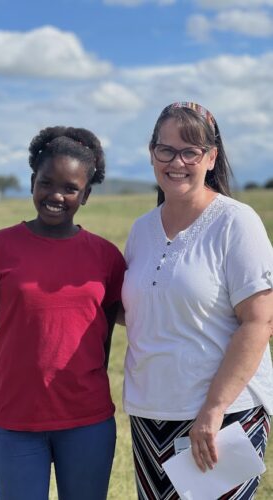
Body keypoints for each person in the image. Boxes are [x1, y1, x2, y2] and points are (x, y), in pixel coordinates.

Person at [121, 102, 273, 499]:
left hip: (221, 417)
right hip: (151, 414)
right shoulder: (141, 230)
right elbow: (142, 309)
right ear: (151, 152)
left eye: (191, 151)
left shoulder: (236, 222)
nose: (177, 161)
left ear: (211, 157)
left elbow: (258, 322)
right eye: (166, 150)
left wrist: (213, 409)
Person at [0, 126, 125, 500]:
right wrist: (10, 399)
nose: (56, 195)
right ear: (32, 183)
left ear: (85, 194)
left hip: (87, 420)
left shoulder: (105, 257)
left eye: (70, 188)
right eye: (46, 182)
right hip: (15, 421)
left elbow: (106, 336)